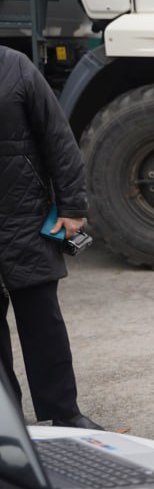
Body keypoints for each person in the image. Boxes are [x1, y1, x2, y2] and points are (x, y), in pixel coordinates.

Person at [0, 46, 103, 431]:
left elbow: (58, 139)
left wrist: (72, 206)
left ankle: (64, 413)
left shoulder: (15, 67)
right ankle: (6, 422)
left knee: (44, 326)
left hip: (23, 217)